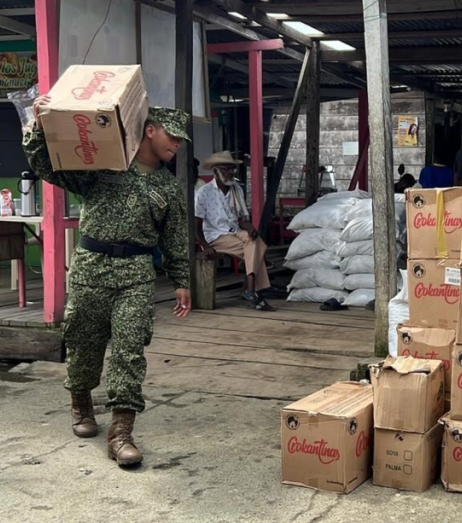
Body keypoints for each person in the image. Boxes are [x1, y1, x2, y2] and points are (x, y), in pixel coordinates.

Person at [23, 96, 192, 468]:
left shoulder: (168, 188)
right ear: (150, 131)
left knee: (129, 351)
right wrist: (38, 127)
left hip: (136, 274)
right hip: (91, 268)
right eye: (173, 135)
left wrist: (181, 279)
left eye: (181, 139)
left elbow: (175, 237)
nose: (178, 144)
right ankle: (81, 405)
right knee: (83, 343)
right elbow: (48, 167)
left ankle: (121, 434)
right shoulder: (103, 166)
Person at [195, 150, 276, 310]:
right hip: (216, 235)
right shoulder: (204, 192)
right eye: (227, 169)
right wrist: (205, 245)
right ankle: (251, 289)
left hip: (235, 231)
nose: (231, 172)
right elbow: (196, 224)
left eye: (232, 169)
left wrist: (250, 228)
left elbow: (241, 218)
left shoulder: (236, 189)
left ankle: (250, 289)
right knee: (257, 247)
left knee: (255, 241)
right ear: (216, 171)